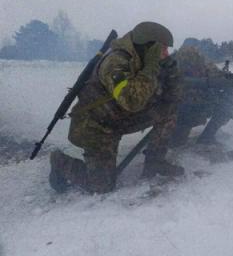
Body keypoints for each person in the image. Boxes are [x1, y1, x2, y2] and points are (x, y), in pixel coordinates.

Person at [49, 22, 183, 194]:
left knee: (168, 110)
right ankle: (59, 161)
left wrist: (170, 69)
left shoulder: (142, 59)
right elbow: (132, 101)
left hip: (120, 118)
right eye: (162, 49)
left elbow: (174, 97)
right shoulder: (115, 62)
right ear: (148, 47)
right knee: (101, 186)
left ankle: (155, 162)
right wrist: (150, 69)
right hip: (96, 126)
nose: (165, 54)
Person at [169, 45, 233, 146]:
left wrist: (225, 77)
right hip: (180, 111)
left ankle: (207, 137)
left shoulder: (202, 64)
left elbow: (229, 86)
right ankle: (204, 136)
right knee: (176, 142)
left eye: (193, 54)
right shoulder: (171, 66)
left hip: (196, 108)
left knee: (229, 97)